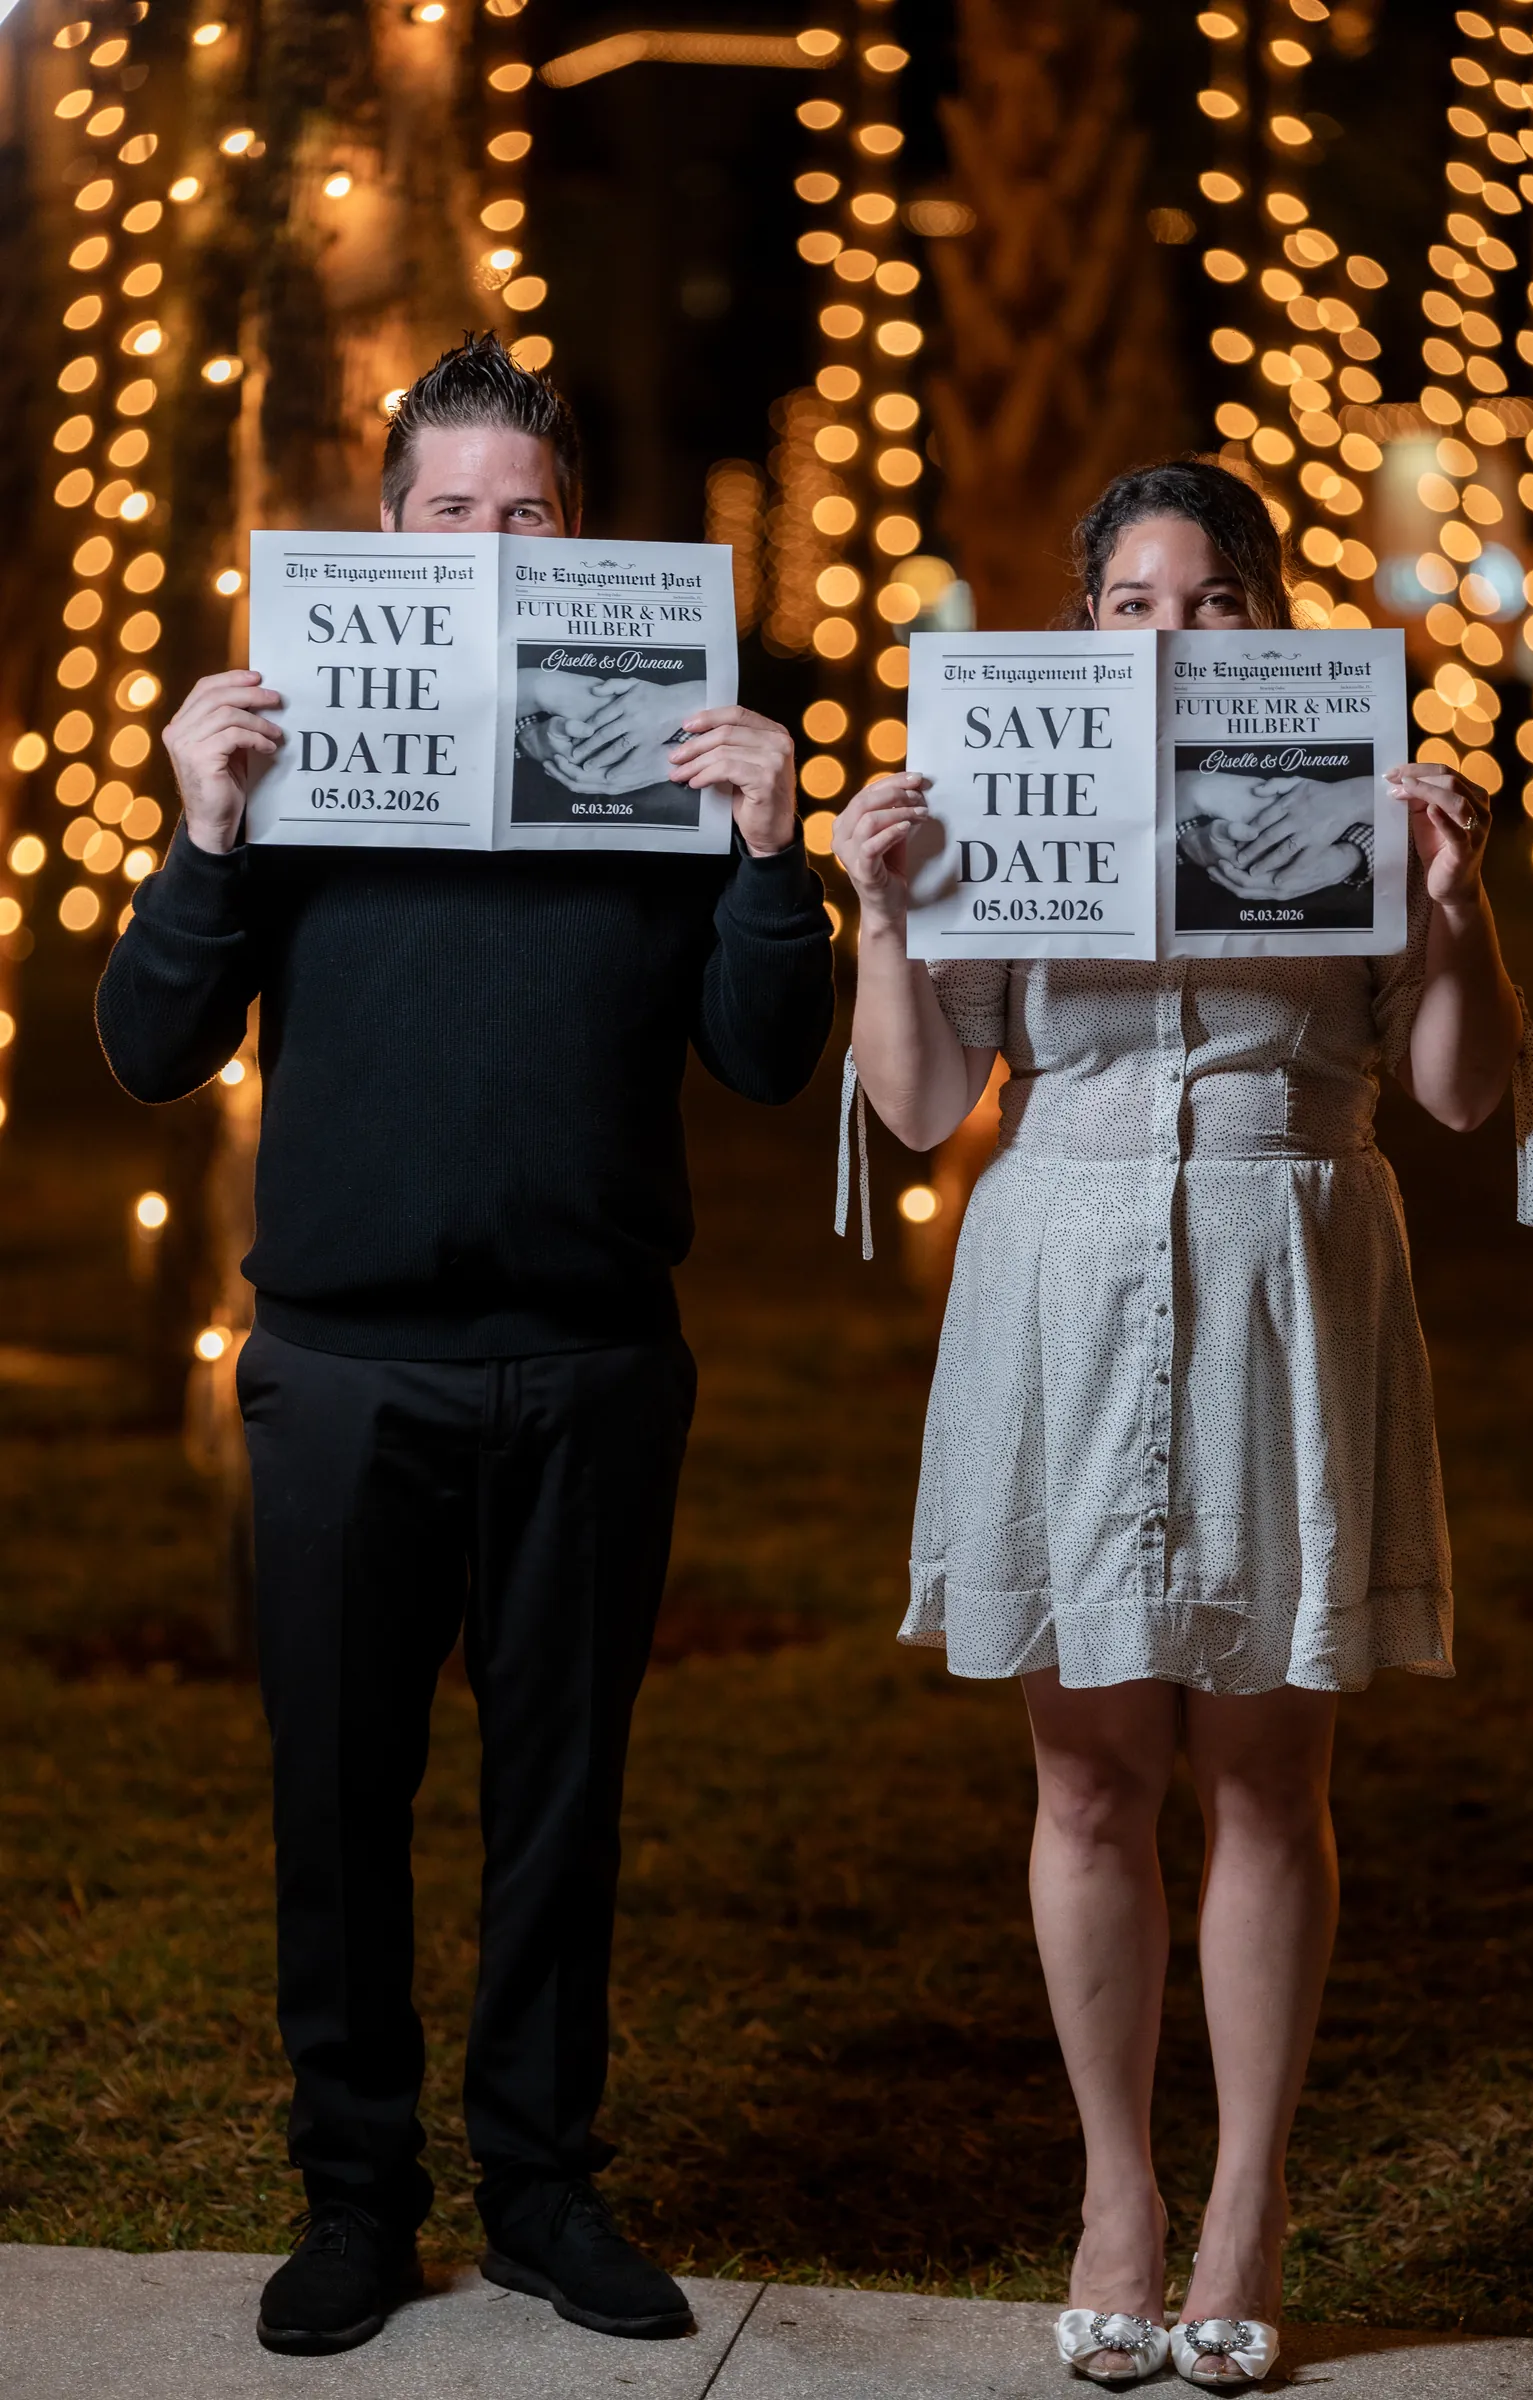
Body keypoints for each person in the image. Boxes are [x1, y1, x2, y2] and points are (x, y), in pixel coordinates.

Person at [96, 333, 834, 2357]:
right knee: (333, 1796)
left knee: (560, 1799)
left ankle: (540, 2192)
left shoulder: (676, 759)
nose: (493, 542)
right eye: (451, 512)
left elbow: (768, 1063)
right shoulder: (292, 754)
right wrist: (204, 826)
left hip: (592, 1358)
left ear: (576, 536)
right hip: (340, 1365)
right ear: (389, 532)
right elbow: (150, 1047)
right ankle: (354, 2202)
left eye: (530, 512)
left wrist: (774, 854)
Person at [830, 460, 1533, 2390]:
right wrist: (883, 915)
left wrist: (1458, 906)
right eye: (1131, 604)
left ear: (1269, 622)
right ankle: (1118, 2196)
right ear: (1083, 630)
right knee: (1082, 1775)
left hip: (1276, 1266)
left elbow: (1467, 1097)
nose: (1171, 634)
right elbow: (914, 1110)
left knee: (1260, 1776)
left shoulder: (1362, 802)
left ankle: (1245, 2208)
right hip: (1061, 1271)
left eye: (1214, 600)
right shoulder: (1002, 799)